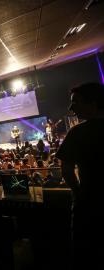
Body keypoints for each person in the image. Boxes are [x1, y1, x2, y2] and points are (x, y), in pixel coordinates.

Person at [55, 82, 104, 269]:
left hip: (89, 204)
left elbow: (67, 171)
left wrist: (78, 192)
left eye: (76, 102)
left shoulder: (78, 132)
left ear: (93, 103)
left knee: (86, 253)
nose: (71, 108)